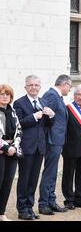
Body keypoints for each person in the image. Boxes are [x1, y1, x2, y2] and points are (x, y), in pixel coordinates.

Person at [14, 75, 55, 220]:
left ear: (40, 87)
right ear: (25, 87)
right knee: (24, 179)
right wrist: (34, 116)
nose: (34, 87)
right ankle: (22, 209)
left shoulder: (43, 102)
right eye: (31, 85)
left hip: (40, 147)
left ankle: (30, 207)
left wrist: (51, 116)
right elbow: (18, 123)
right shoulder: (19, 103)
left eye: (36, 85)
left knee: (33, 179)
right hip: (26, 146)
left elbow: (48, 126)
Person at [38, 74, 71, 215]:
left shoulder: (57, 96)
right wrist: (48, 138)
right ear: (64, 84)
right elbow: (45, 118)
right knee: (49, 172)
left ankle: (51, 200)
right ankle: (44, 203)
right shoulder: (52, 95)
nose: (69, 90)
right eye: (69, 86)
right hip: (52, 139)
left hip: (57, 139)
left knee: (52, 172)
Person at [0, 84, 22, 222]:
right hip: (2, 151)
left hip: (13, 152)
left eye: (7, 94)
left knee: (7, 184)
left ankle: (1, 213)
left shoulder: (13, 112)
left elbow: (19, 131)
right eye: (2, 94)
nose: (5, 96)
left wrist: (14, 146)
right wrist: (7, 148)